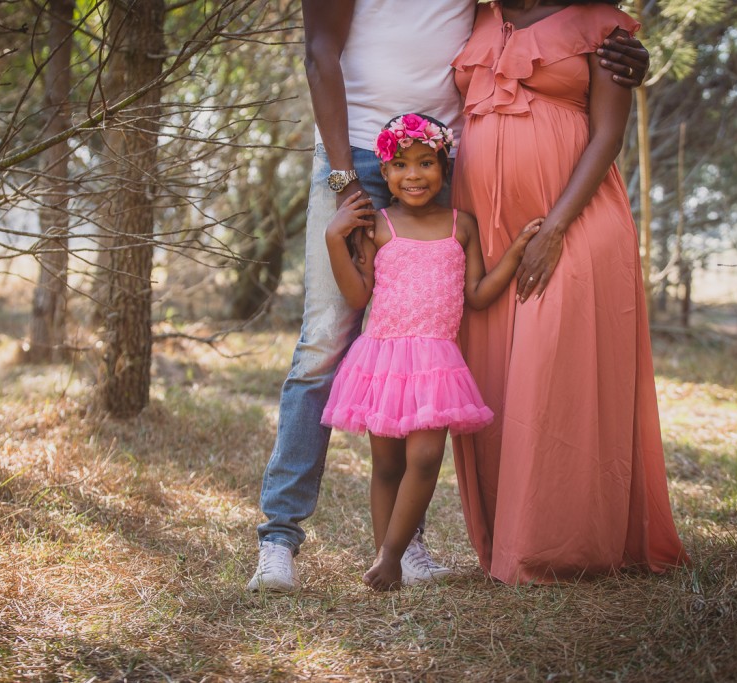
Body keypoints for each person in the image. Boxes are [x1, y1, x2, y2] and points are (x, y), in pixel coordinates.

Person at [247, 0, 650, 593]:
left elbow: (545, 32)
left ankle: (404, 544)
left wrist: (626, 53)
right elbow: (318, 54)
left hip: (445, 159)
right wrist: (343, 178)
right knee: (323, 345)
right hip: (358, 157)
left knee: (428, 340)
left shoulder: (484, 5)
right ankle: (279, 538)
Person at [450, 0, 690, 584]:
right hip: (488, 234)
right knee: (495, 385)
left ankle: (557, 548)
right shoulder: (473, 18)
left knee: (555, 381)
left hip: (573, 222)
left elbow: (609, 134)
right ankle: (507, 539)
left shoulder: (601, 25)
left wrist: (555, 228)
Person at [320, 114, 543, 590]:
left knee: (424, 458)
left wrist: (516, 251)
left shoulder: (462, 226)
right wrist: (333, 238)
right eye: (400, 165)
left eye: (426, 163)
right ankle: (387, 563)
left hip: (436, 361)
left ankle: (393, 555)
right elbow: (358, 295)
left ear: (444, 167)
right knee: (387, 466)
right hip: (383, 359)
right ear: (385, 172)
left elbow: (477, 295)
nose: (413, 175)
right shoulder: (378, 226)